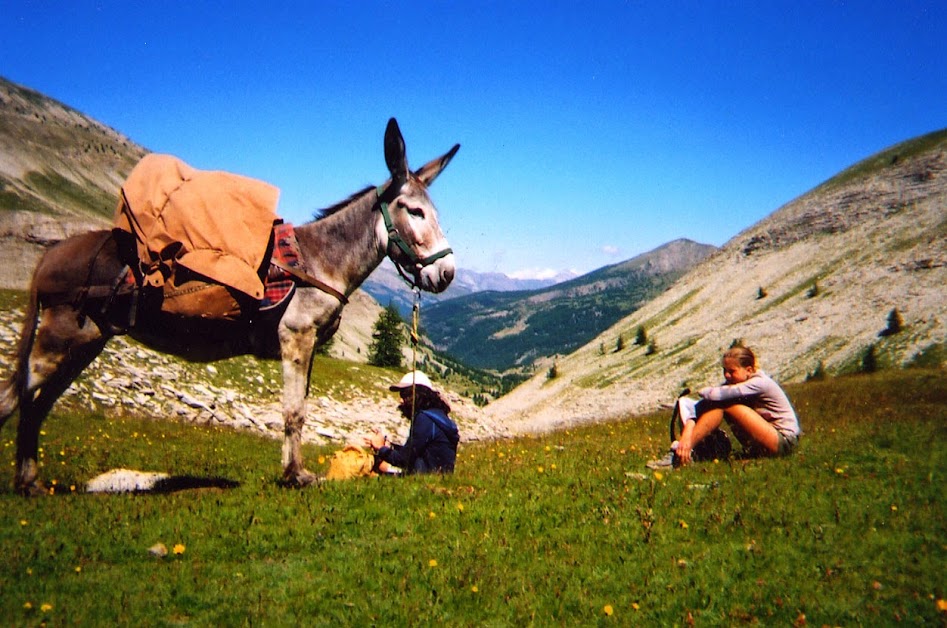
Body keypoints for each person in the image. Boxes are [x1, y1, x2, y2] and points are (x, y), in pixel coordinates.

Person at [647, 346, 801, 468]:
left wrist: (704, 392)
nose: (726, 376)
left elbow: (713, 395)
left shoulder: (759, 383)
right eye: (724, 371)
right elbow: (698, 407)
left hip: (784, 442)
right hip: (765, 441)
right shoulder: (735, 384)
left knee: (726, 404)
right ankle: (688, 450)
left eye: (731, 371)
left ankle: (680, 455)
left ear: (749, 370)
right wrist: (686, 436)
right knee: (718, 404)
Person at [365, 371, 460, 474]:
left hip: (425, 479)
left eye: (405, 395)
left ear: (417, 394)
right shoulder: (436, 415)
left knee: (375, 466)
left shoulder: (424, 419)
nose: (401, 400)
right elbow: (414, 452)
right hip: (437, 476)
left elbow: (403, 459)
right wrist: (389, 446)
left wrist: (380, 448)